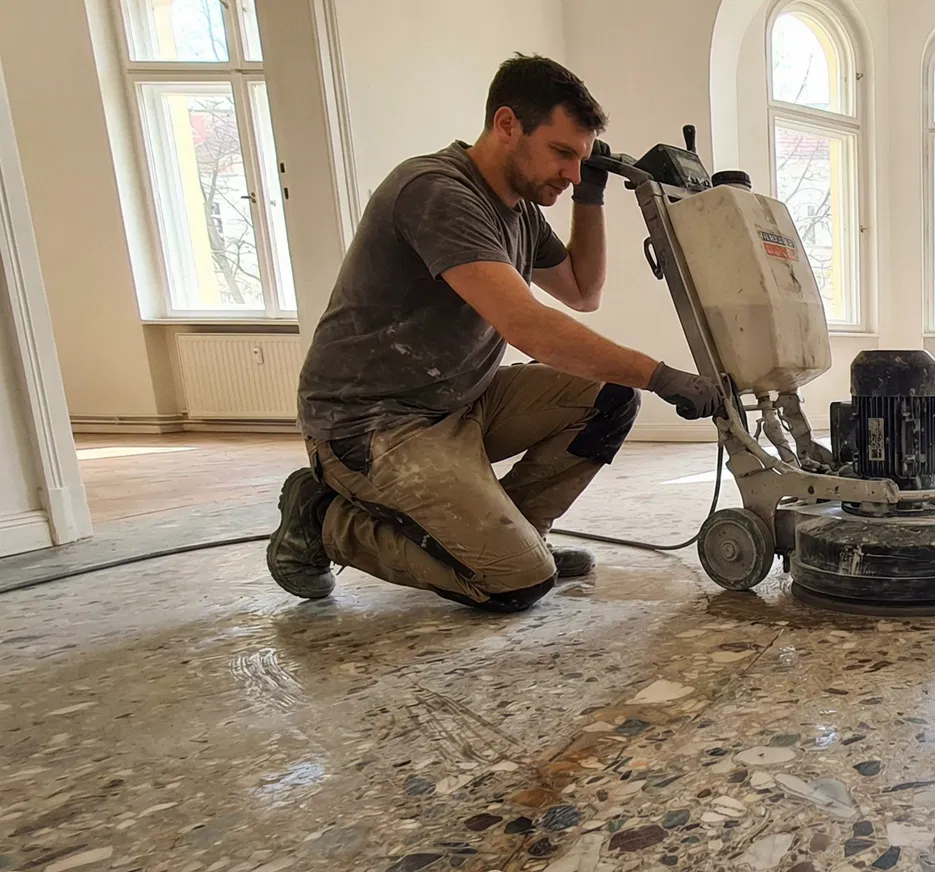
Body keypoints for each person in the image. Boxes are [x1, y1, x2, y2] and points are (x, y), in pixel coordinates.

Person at [267, 54, 718, 611]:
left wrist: (590, 196)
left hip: (463, 403)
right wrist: (660, 374)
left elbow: (582, 291)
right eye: (561, 153)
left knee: (609, 400)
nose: (571, 171)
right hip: (373, 424)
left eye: (580, 159)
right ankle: (322, 518)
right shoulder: (436, 191)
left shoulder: (521, 212)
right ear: (507, 125)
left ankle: (522, 537)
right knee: (516, 584)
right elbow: (529, 327)